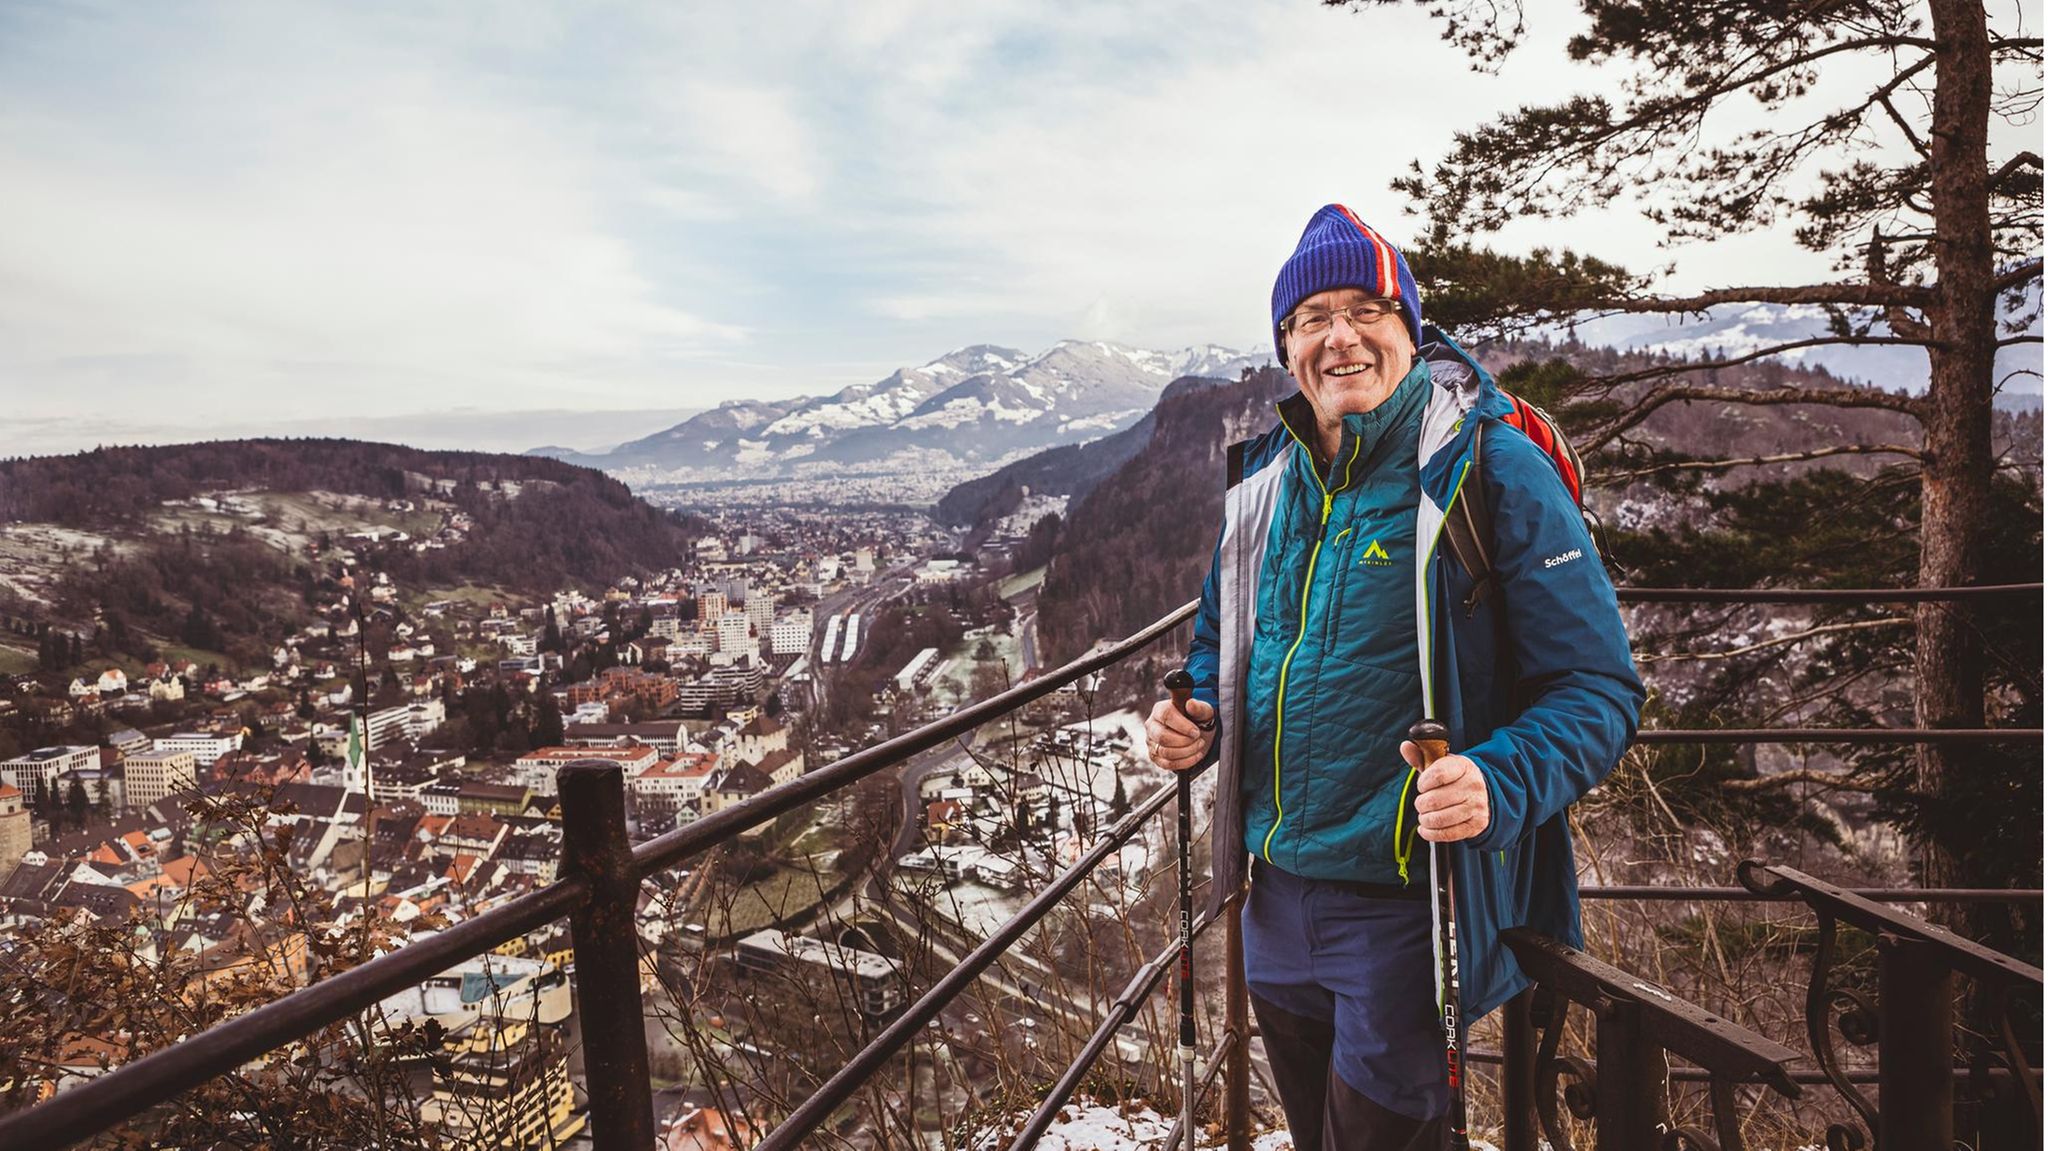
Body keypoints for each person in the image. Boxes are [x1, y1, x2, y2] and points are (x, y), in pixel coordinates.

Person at [1144, 204, 1642, 1149]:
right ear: (1287, 344)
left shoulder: (1488, 468)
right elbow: (1219, 642)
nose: (1340, 336)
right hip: (1273, 901)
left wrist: (1498, 777)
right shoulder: (1262, 491)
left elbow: (1601, 689)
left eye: (1367, 307)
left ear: (1409, 327)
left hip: (1406, 913)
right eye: (1312, 317)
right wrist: (1199, 712)